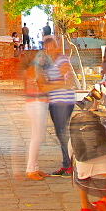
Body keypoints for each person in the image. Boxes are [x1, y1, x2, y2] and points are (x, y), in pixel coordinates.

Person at [42, 36, 76, 176]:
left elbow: (66, 82)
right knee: (59, 132)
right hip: (54, 101)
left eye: (50, 47)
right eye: (46, 47)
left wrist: (49, 85)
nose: (48, 50)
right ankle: (66, 163)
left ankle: (70, 164)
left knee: (62, 133)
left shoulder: (62, 60)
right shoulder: (49, 62)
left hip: (64, 100)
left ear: (55, 47)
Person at [21, 48, 49, 181]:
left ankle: (35, 167)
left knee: (38, 137)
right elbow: (44, 87)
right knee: (36, 138)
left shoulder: (35, 69)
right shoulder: (34, 69)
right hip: (36, 104)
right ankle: (31, 169)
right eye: (40, 57)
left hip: (38, 103)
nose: (43, 59)